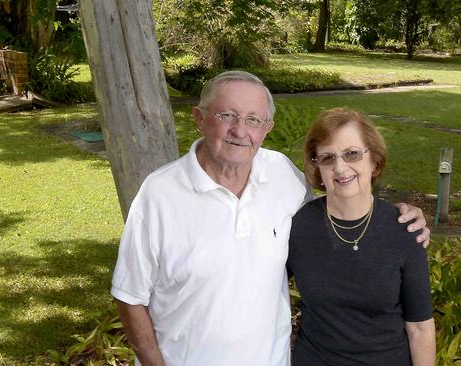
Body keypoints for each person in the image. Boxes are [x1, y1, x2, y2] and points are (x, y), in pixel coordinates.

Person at [111, 71, 431, 366]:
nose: (240, 130)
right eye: (227, 115)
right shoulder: (160, 194)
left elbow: (340, 210)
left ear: (267, 129)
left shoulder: (282, 176)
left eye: (253, 119)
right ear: (200, 118)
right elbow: (129, 296)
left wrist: (399, 219)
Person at [287, 107, 436, 366]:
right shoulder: (299, 227)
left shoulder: (404, 230)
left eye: (352, 154)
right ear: (318, 167)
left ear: (374, 160)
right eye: (327, 158)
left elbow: (420, 327)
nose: (340, 168)